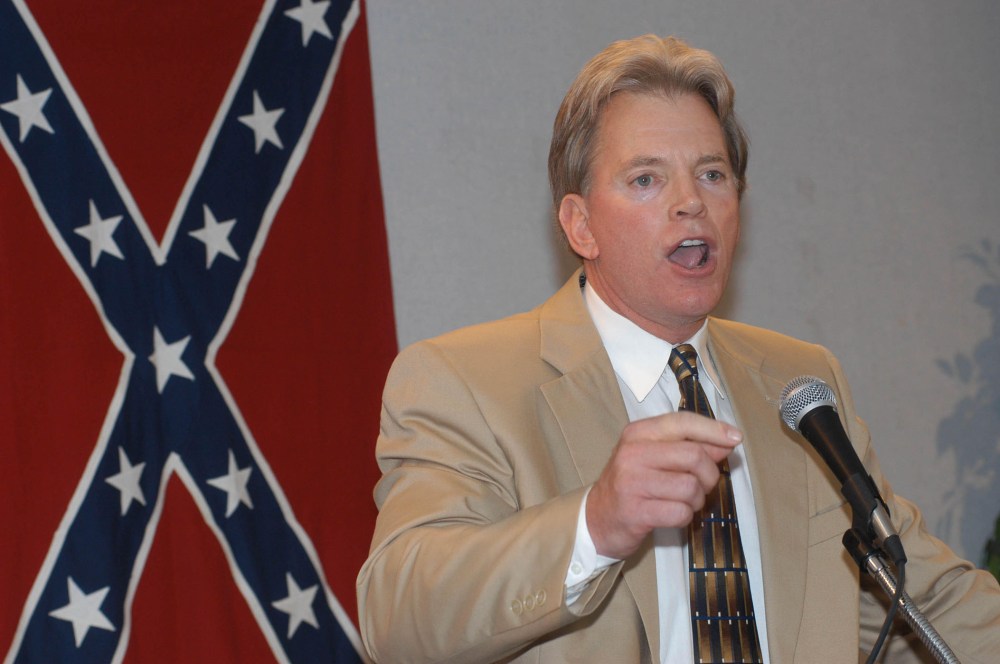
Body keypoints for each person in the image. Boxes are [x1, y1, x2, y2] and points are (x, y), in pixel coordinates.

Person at [356, 34, 1000, 663]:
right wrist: (595, 525)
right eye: (646, 179)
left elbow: (926, 601)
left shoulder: (799, 383)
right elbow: (398, 619)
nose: (691, 202)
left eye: (712, 174)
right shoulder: (465, 382)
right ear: (580, 224)